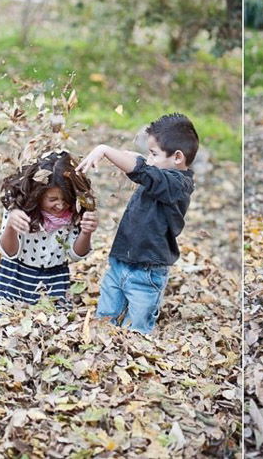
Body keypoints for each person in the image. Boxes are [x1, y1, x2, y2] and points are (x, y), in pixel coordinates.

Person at [77, 113, 198, 334]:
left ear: (178, 158)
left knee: (136, 330)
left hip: (147, 272)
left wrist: (104, 149)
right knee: (103, 321)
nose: (149, 159)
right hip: (121, 262)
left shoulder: (177, 185)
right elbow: (145, 167)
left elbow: (143, 171)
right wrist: (131, 156)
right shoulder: (161, 174)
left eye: (154, 154)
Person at [0, 151, 98, 311]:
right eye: (52, 200)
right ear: (37, 195)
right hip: (16, 276)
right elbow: (9, 252)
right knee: (5, 320)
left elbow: (76, 255)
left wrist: (87, 232)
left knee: (54, 325)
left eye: (66, 200)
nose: (60, 206)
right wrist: (11, 225)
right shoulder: (19, 209)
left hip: (54, 278)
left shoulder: (75, 213)